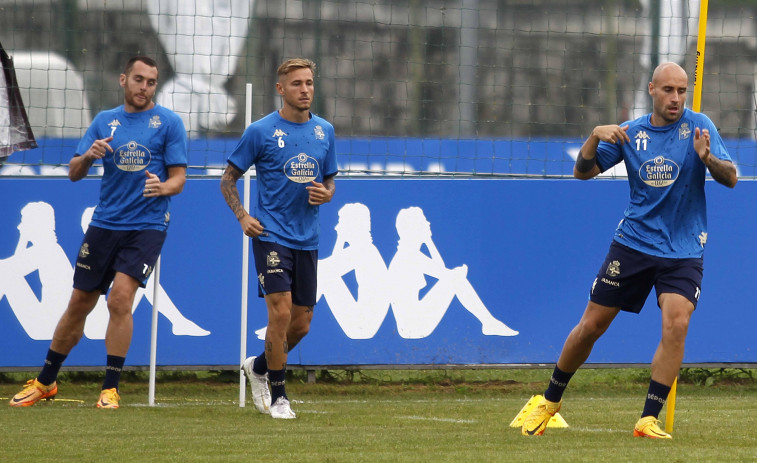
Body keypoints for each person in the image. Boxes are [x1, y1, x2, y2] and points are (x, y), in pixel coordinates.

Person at [520, 62, 737, 439]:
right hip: (633, 244)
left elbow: (731, 178)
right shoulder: (632, 133)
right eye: (668, 90)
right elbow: (582, 172)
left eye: (682, 91)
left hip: (684, 248)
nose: (676, 98)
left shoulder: (699, 126)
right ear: (651, 89)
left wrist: (707, 159)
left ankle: (647, 419)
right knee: (591, 327)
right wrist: (593, 137)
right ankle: (550, 401)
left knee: (677, 322)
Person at [9, 56, 188, 409]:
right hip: (105, 224)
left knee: (120, 298)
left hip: (147, 226)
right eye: (138, 79)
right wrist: (89, 154)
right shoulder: (105, 121)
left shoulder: (168, 123)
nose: (144, 87)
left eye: (151, 82)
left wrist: (162, 188)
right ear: (123, 80)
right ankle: (46, 381)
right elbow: (75, 172)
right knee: (79, 302)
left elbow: (179, 178)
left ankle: (110, 388)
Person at [220, 58, 337, 419]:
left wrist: (327, 194)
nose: (305, 89)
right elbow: (227, 179)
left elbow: (330, 181)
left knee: (301, 323)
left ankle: (258, 367)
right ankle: (280, 397)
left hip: (308, 238)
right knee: (281, 310)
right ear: (281, 89)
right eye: (297, 83)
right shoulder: (260, 131)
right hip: (271, 234)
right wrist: (242, 216)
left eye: (309, 83)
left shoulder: (325, 132)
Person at [388, 206, 518, 339]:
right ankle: (489, 322)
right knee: (456, 278)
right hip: (413, 327)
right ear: (414, 229)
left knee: (455, 277)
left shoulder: (409, 253)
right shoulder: (409, 256)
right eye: (424, 221)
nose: (428, 223)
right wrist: (458, 274)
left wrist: (429, 241)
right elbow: (444, 273)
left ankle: (489, 322)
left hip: (411, 326)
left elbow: (440, 269)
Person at [317, 203, 390, 339]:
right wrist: (341, 238)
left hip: (362, 325)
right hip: (364, 324)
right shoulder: (365, 248)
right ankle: (294, 320)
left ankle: (291, 323)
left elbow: (329, 268)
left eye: (340, 223)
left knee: (321, 270)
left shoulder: (362, 250)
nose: (336, 227)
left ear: (352, 226)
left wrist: (341, 238)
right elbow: (334, 264)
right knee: (323, 270)